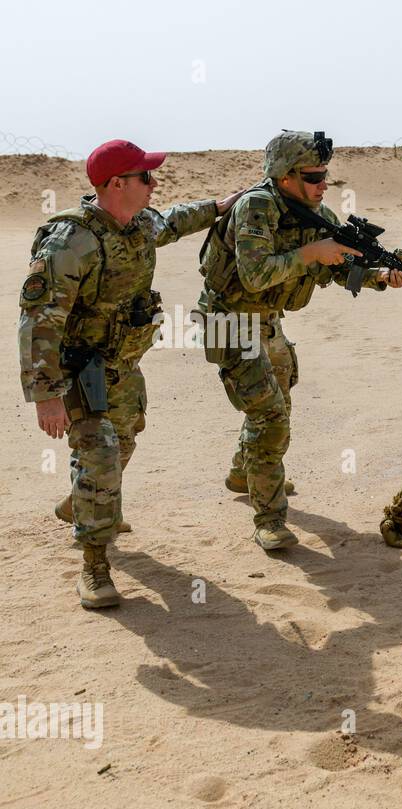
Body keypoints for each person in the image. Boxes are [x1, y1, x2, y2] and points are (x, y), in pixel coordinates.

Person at [19, 139, 239, 608]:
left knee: (127, 438)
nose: (154, 183)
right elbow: (40, 320)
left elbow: (176, 221)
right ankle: (94, 565)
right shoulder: (70, 241)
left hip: (123, 364)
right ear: (116, 184)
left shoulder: (138, 223)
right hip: (79, 368)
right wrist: (46, 395)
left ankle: (81, 502)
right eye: (145, 177)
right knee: (99, 453)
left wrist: (219, 207)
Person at [195, 130, 402, 551]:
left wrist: (382, 276)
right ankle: (269, 519)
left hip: (266, 321)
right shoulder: (256, 207)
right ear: (285, 176)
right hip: (229, 320)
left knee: (277, 399)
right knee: (269, 416)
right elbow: (256, 275)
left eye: (325, 176)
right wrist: (314, 253)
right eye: (314, 177)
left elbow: (338, 268)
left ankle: (245, 471)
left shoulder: (317, 214)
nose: (322, 184)